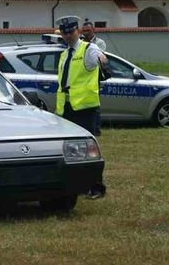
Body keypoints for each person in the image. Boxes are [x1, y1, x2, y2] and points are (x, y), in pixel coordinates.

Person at [55, 15, 107, 199]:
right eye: (64, 32)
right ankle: (77, 184)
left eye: (71, 32)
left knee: (89, 150)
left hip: (85, 107)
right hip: (67, 107)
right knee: (69, 148)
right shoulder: (64, 54)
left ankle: (97, 187)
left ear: (78, 31)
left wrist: (103, 61)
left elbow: (100, 57)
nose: (68, 35)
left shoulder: (88, 49)